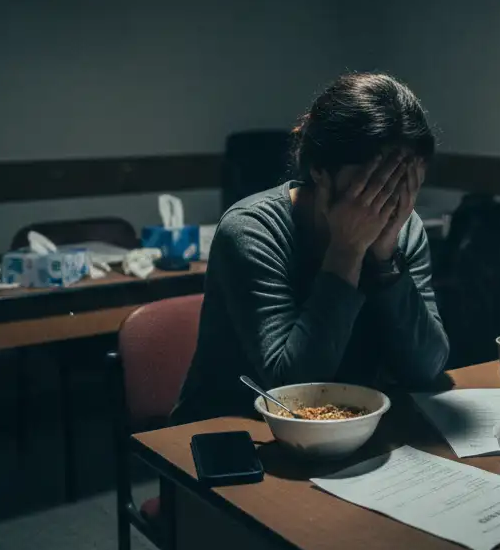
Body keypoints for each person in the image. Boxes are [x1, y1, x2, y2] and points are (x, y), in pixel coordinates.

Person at [172, 72, 449, 422]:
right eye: (375, 184)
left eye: (406, 183)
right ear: (319, 169)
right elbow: (291, 390)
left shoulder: (403, 229)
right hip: (237, 432)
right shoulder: (251, 229)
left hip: (349, 428)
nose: (390, 201)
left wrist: (384, 259)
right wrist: (346, 252)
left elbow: (427, 369)